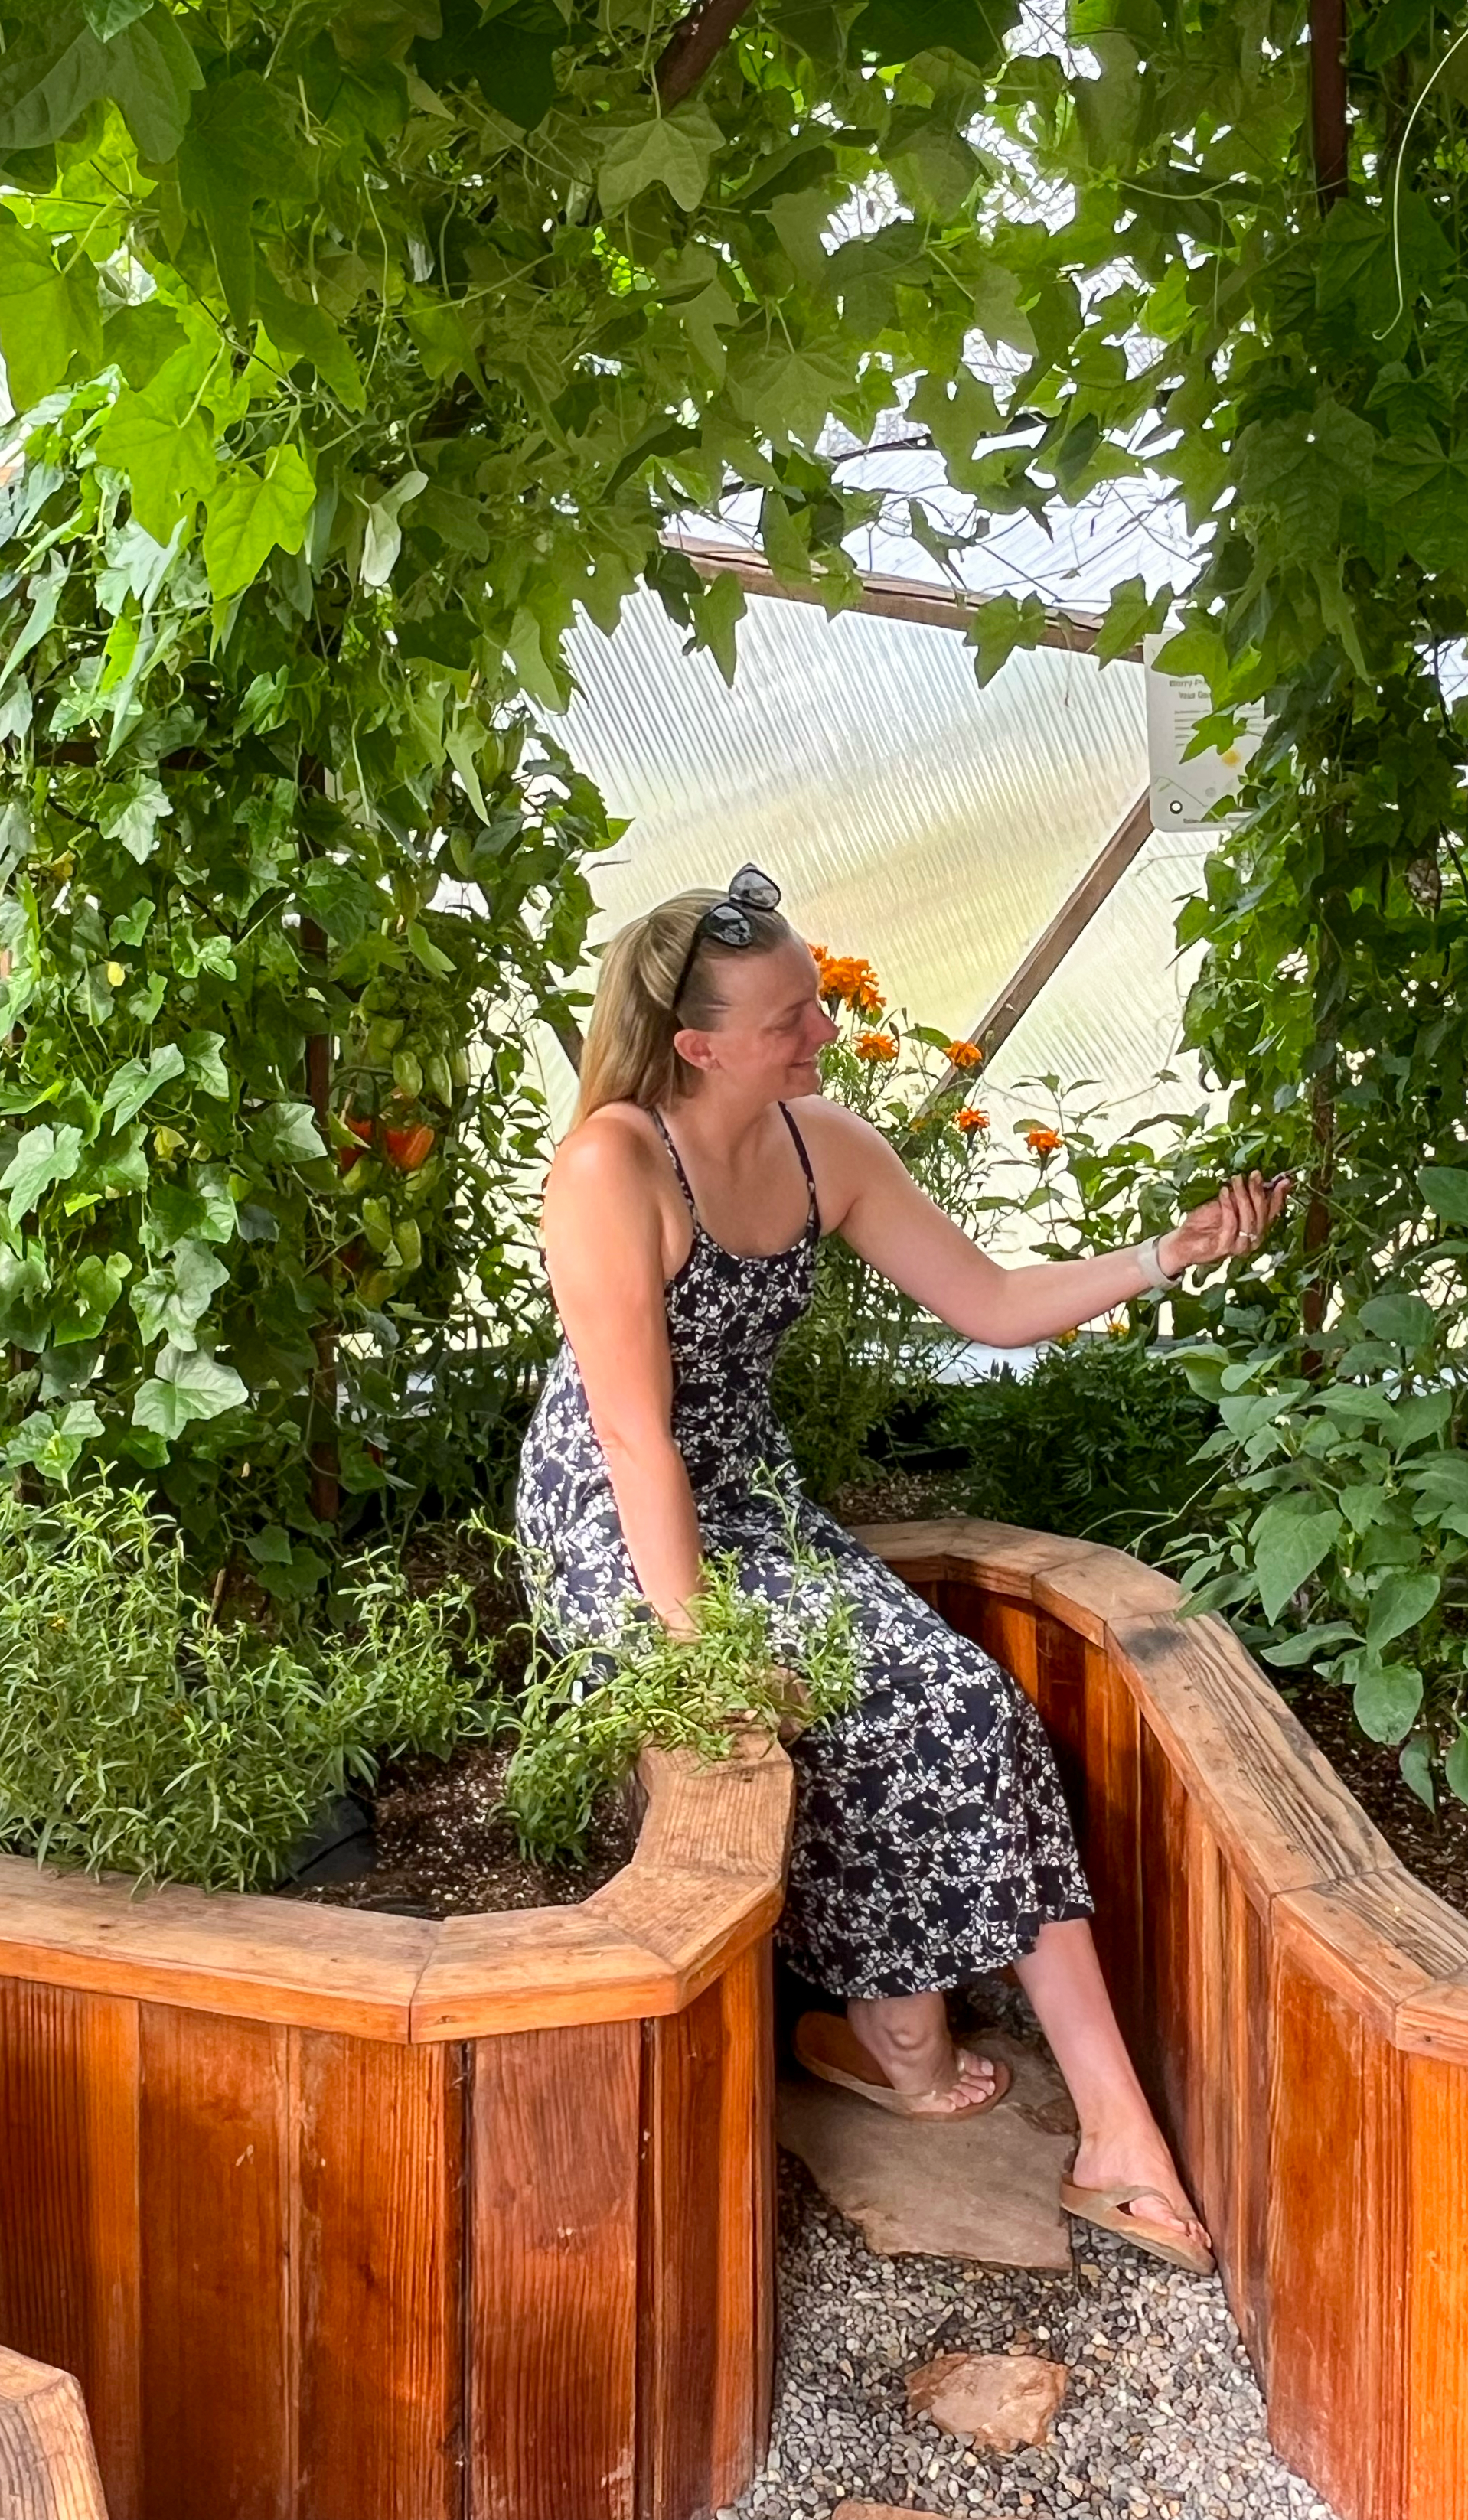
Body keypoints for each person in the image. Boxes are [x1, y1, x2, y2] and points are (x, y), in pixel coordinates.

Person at [516, 866, 1287, 2274]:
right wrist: (703, 1650)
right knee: (855, 1713)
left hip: (752, 1497)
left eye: (816, 1001)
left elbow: (989, 1306)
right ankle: (894, 2031)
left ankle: (1074, 2113)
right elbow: (632, 1440)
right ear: (697, 1046)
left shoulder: (825, 1147)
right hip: (618, 1518)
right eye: (789, 1017)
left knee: (968, 1705)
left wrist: (1159, 1256)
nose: (821, 1031)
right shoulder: (614, 1165)